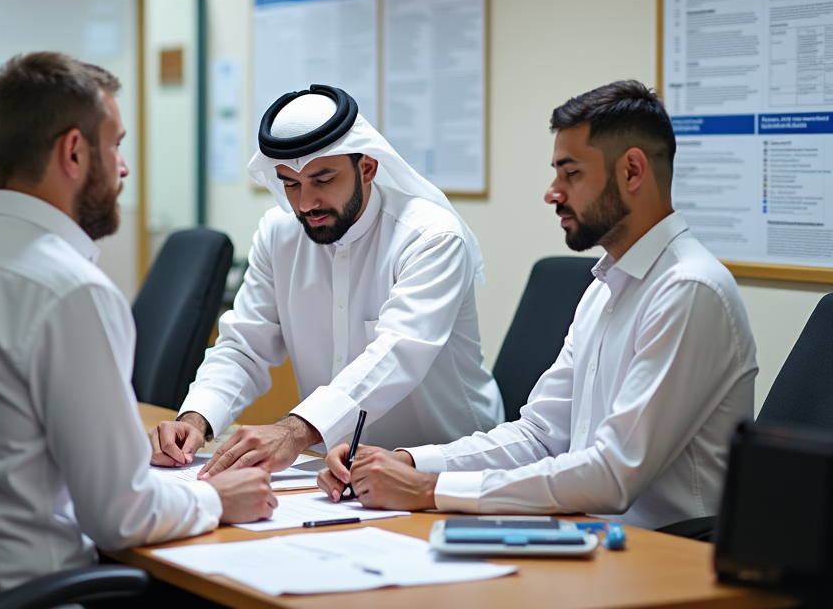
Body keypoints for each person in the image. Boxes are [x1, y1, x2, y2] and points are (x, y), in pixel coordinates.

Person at [0, 52, 276, 590]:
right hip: (38, 592)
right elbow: (119, 515)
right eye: (116, 144)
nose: (123, 167)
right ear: (74, 152)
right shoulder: (71, 290)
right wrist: (216, 497)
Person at [317, 80, 758, 531]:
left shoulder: (688, 289)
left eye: (571, 174)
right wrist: (407, 461)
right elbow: (539, 437)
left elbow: (611, 476)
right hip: (592, 541)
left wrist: (428, 491)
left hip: (669, 560)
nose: (552, 192)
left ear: (631, 171)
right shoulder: (607, 287)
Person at [151, 84, 504, 477]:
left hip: (444, 467)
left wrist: (294, 431)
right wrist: (197, 417)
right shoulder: (279, 234)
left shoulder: (431, 238)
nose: (305, 204)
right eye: (290, 183)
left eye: (323, 180)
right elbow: (245, 346)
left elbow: (396, 355)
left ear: (367, 168)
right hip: (335, 474)